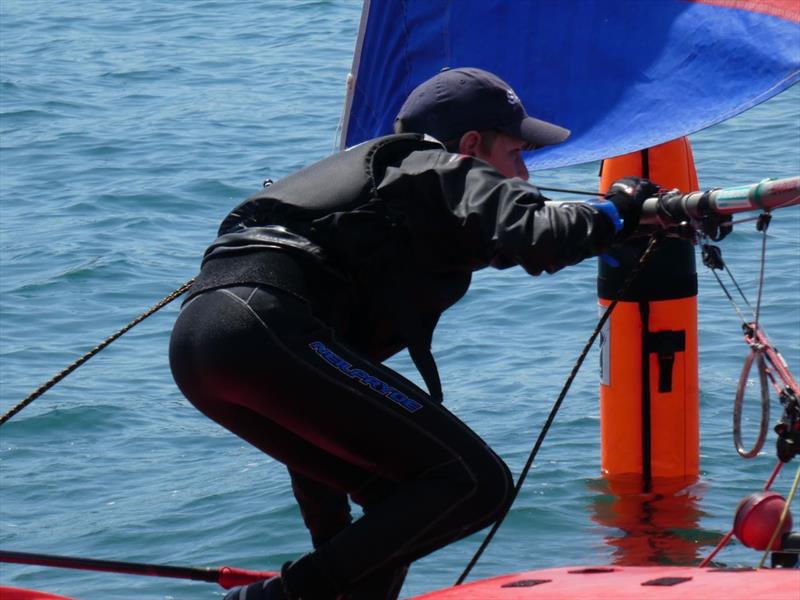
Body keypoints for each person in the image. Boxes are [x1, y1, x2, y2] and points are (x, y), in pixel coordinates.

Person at [169, 67, 659, 600]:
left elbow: (315, 449)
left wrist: (335, 552)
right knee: (476, 484)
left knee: (403, 494)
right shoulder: (435, 164)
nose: (523, 174)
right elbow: (538, 235)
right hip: (262, 326)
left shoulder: (387, 199)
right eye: (517, 154)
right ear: (472, 145)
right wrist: (620, 211)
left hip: (204, 352)